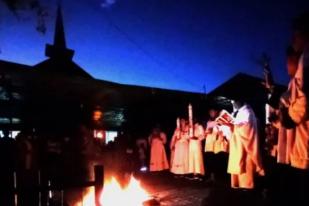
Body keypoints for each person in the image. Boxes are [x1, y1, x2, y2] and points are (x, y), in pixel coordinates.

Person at [226, 100, 264, 189]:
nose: (233, 104)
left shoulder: (248, 112)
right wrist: (230, 125)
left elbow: (247, 128)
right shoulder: (239, 113)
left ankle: (247, 186)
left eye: (234, 101)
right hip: (237, 144)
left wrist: (234, 125)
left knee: (246, 166)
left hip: (245, 146)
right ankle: (239, 185)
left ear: (240, 101)